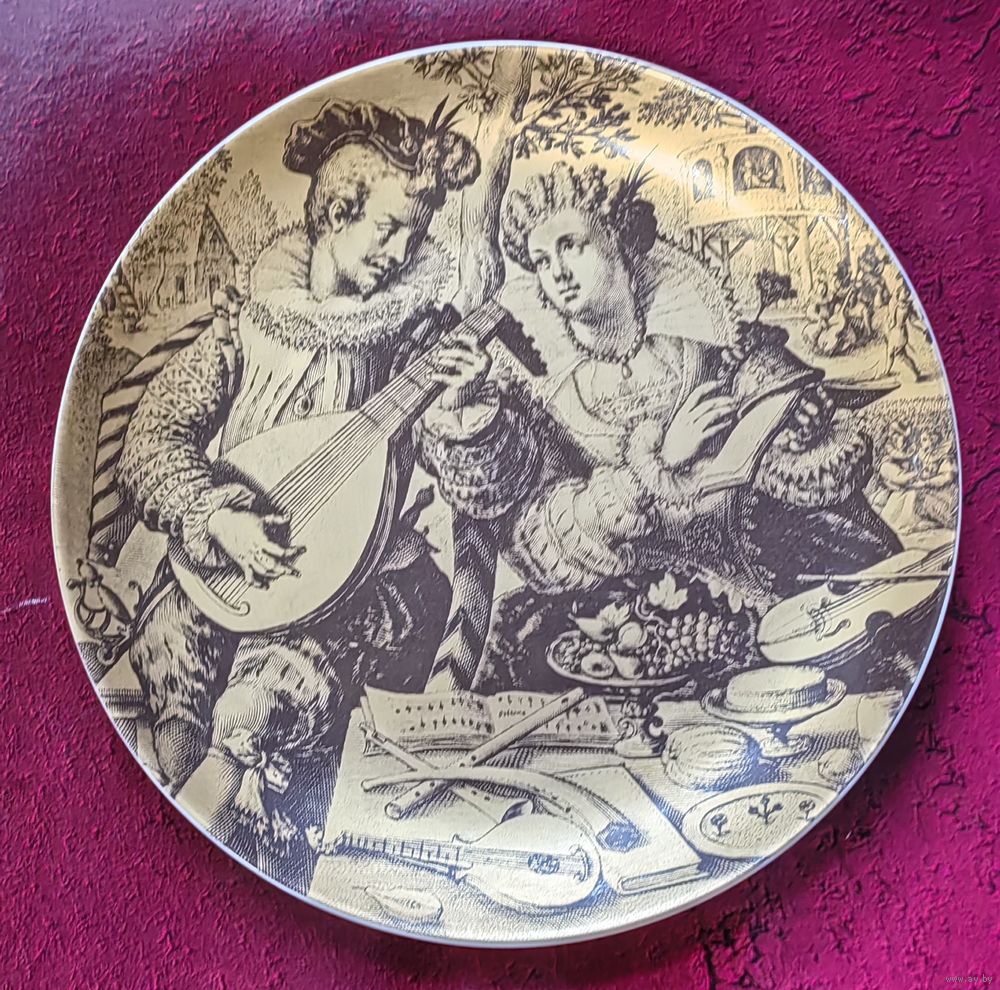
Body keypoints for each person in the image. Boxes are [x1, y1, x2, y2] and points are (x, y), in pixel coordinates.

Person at [114, 100, 523, 887]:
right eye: (388, 229)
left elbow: (485, 491)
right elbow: (152, 437)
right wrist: (212, 515)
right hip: (226, 564)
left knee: (261, 704)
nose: (402, 253)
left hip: (354, 589)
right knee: (170, 649)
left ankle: (234, 863)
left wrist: (464, 410)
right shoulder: (247, 323)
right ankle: (180, 853)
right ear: (337, 212)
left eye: (416, 235)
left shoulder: (413, 337)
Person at [426, 162, 901, 689]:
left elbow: (796, 461)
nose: (557, 272)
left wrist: (796, 435)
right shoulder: (553, 406)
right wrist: (657, 464)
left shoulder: (714, 355)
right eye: (541, 260)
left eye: (571, 246)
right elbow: (541, 546)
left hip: (758, 608)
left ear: (621, 242)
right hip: (630, 632)